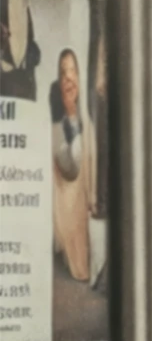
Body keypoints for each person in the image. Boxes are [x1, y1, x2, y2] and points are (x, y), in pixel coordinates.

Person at [49, 48, 93, 285]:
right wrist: (71, 116)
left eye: (72, 70)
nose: (68, 77)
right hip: (68, 206)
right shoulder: (58, 121)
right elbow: (71, 167)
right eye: (63, 71)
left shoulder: (87, 115)